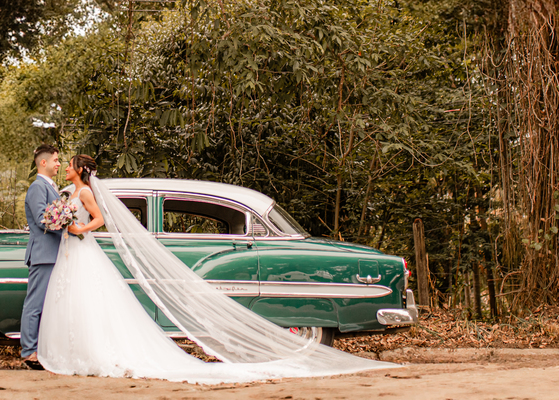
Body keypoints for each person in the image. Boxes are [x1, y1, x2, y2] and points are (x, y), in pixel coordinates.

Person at [36, 154, 391, 383]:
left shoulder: (83, 194)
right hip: (74, 252)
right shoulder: (71, 192)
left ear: (79, 169)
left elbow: (93, 220)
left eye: (68, 164)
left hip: (79, 247)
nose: (63, 166)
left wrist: (77, 227)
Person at [19, 143, 61, 369]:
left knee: (46, 305)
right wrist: (66, 224)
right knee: (35, 304)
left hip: (53, 253)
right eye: (56, 160)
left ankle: (40, 349)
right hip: (43, 253)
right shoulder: (38, 187)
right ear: (43, 162)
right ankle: (28, 352)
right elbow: (41, 218)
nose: (58, 164)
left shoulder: (51, 187)